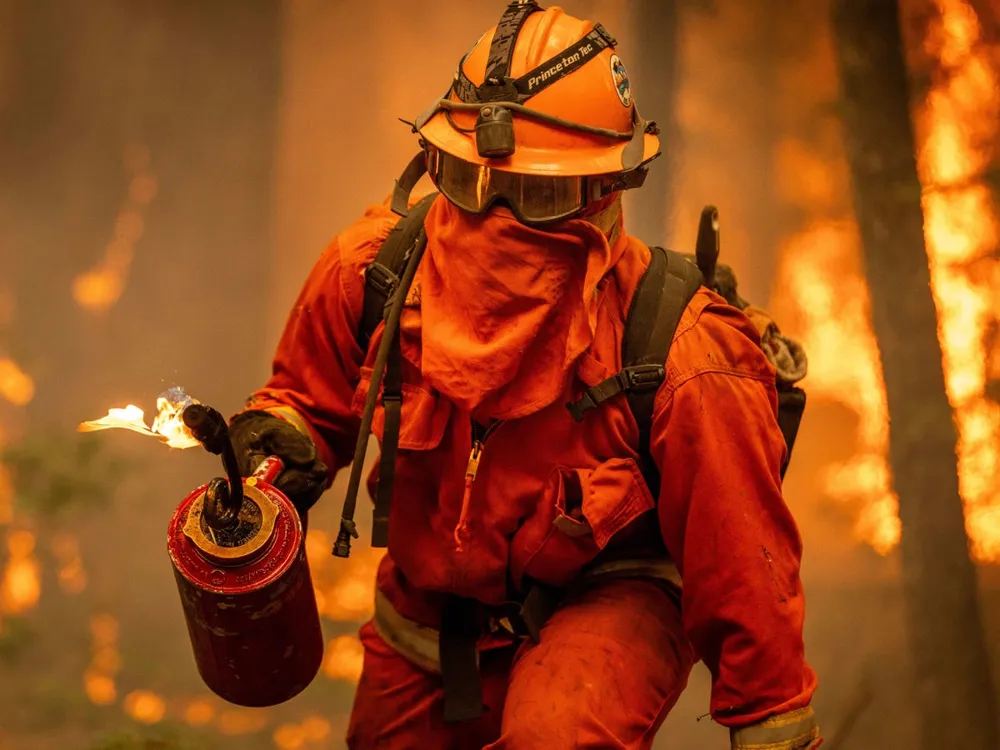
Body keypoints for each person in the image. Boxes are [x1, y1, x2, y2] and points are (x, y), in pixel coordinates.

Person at [228, 2, 821, 748]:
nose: (494, 217)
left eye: (536, 195)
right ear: (434, 164)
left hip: (610, 599)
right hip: (428, 613)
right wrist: (277, 450)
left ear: (605, 189)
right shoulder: (373, 271)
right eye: (469, 181)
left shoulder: (686, 352)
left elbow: (742, 563)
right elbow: (306, 402)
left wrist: (771, 721)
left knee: (556, 738)